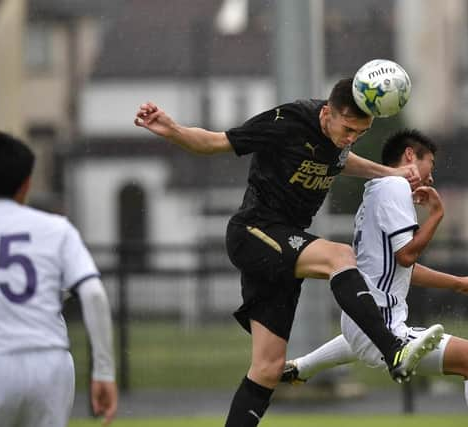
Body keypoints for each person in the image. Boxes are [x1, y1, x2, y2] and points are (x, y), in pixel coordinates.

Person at [134, 78, 444, 427]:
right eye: (348, 129)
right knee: (340, 257)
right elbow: (215, 142)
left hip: (282, 247)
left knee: (267, 369)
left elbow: (344, 160)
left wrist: (391, 173)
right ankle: (393, 350)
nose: (351, 138)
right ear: (327, 113)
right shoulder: (288, 121)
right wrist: (171, 128)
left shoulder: (339, 138)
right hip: (255, 231)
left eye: (361, 132)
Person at [282, 129, 468, 427]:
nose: (431, 177)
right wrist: (437, 215)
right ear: (409, 156)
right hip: (381, 323)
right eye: (430, 164)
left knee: (364, 339)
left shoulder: (376, 191)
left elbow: (401, 268)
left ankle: (301, 367)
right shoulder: (394, 186)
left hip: (360, 319)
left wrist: (457, 282)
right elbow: (407, 256)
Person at [0, 132, 118, 427]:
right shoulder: (56, 229)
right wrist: (103, 371)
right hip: (50, 363)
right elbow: (94, 294)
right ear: (25, 184)